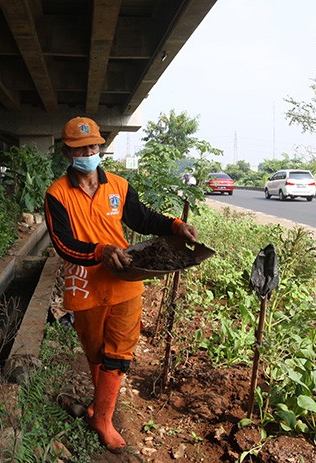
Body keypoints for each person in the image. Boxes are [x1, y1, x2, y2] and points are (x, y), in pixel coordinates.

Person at [44, 116, 198, 452]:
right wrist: (100, 250)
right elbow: (63, 244)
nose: (90, 151)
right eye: (82, 147)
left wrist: (174, 226)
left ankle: (102, 418)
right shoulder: (57, 195)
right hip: (84, 284)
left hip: (126, 281)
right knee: (95, 351)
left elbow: (142, 218)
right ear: (69, 152)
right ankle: (99, 408)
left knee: (119, 351)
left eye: (95, 145)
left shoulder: (118, 186)